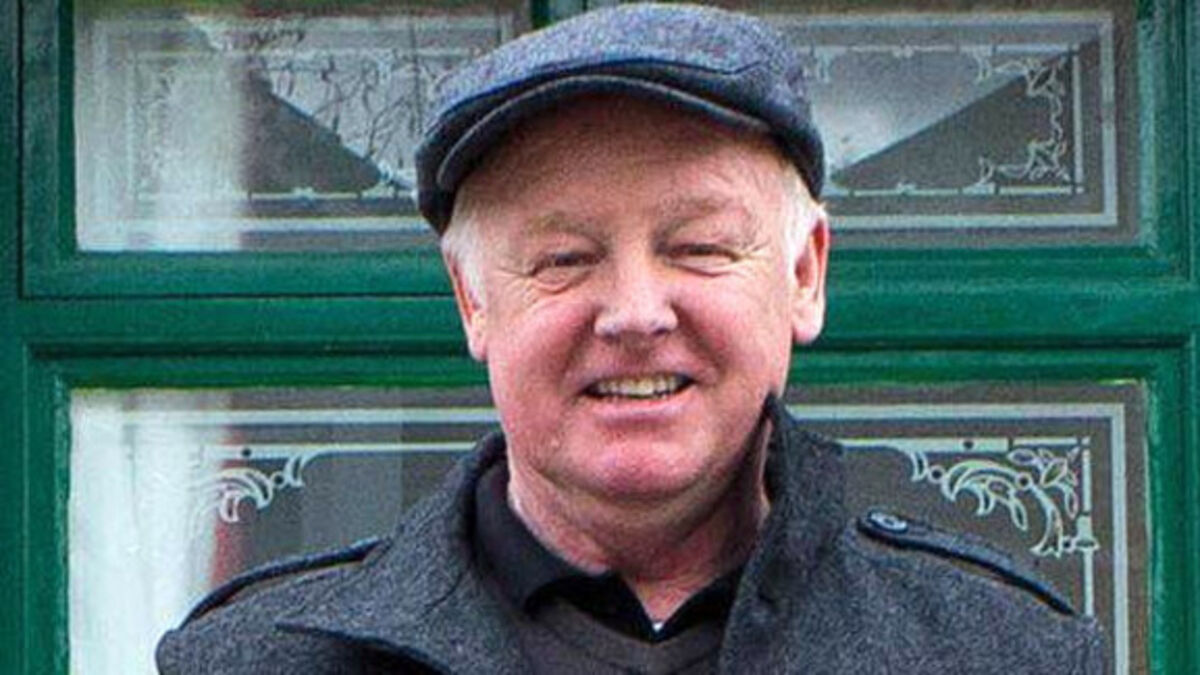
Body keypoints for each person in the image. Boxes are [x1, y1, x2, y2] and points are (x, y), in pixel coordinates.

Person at [157, 4, 1104, 673]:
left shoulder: (1004, 653)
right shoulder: (260, 661)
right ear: (472, 300)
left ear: (805, 274)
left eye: (698, 247)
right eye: (565, 258)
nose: (636, 312)